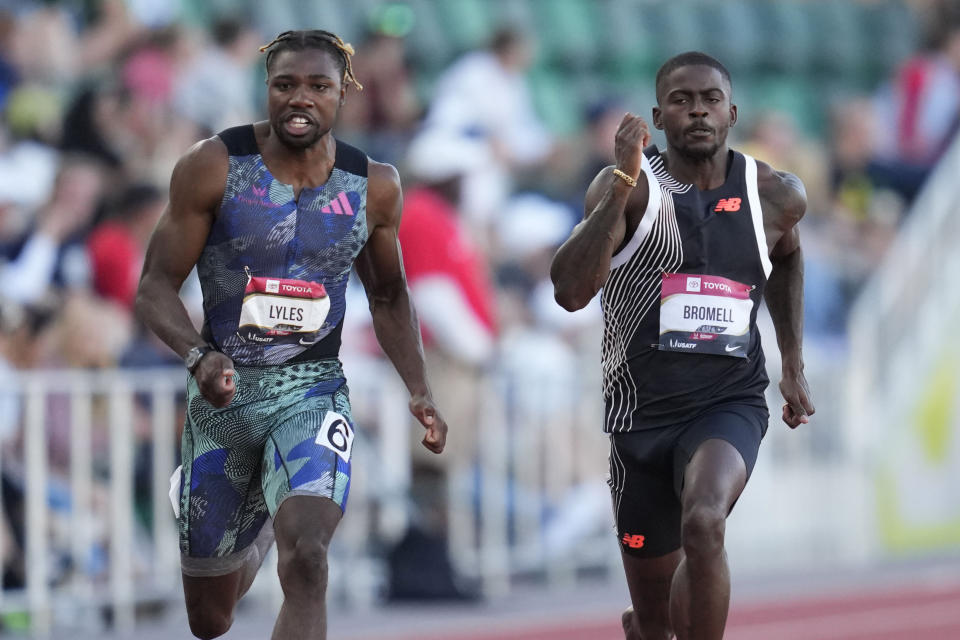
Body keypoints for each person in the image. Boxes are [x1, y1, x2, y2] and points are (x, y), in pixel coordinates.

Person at [135, 29, 447, 640]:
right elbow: (153, 286)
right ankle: (244, 543)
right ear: (266, 89)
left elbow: (388, 294)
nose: (299, 100)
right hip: (224, 395)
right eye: (284, 85)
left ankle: (273, 529)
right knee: (210, 618)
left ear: (343, 94)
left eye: (318, 87)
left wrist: (419, 387)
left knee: (307, 558)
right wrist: (200, 357)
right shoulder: (213, 166)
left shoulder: (373, 185)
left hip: (313, 389)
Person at [550, 52, 815, 640]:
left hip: (727, 402)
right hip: (638, 419)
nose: (697, 111)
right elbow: (569, 291)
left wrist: (791, 358)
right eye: (681, 100)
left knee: (704, 520)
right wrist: (619, 184)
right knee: (654, 624)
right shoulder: (632, 188)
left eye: (710, 100)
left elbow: (788, 257)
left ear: (732, 112)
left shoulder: (772, 193)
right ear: (657, 115)